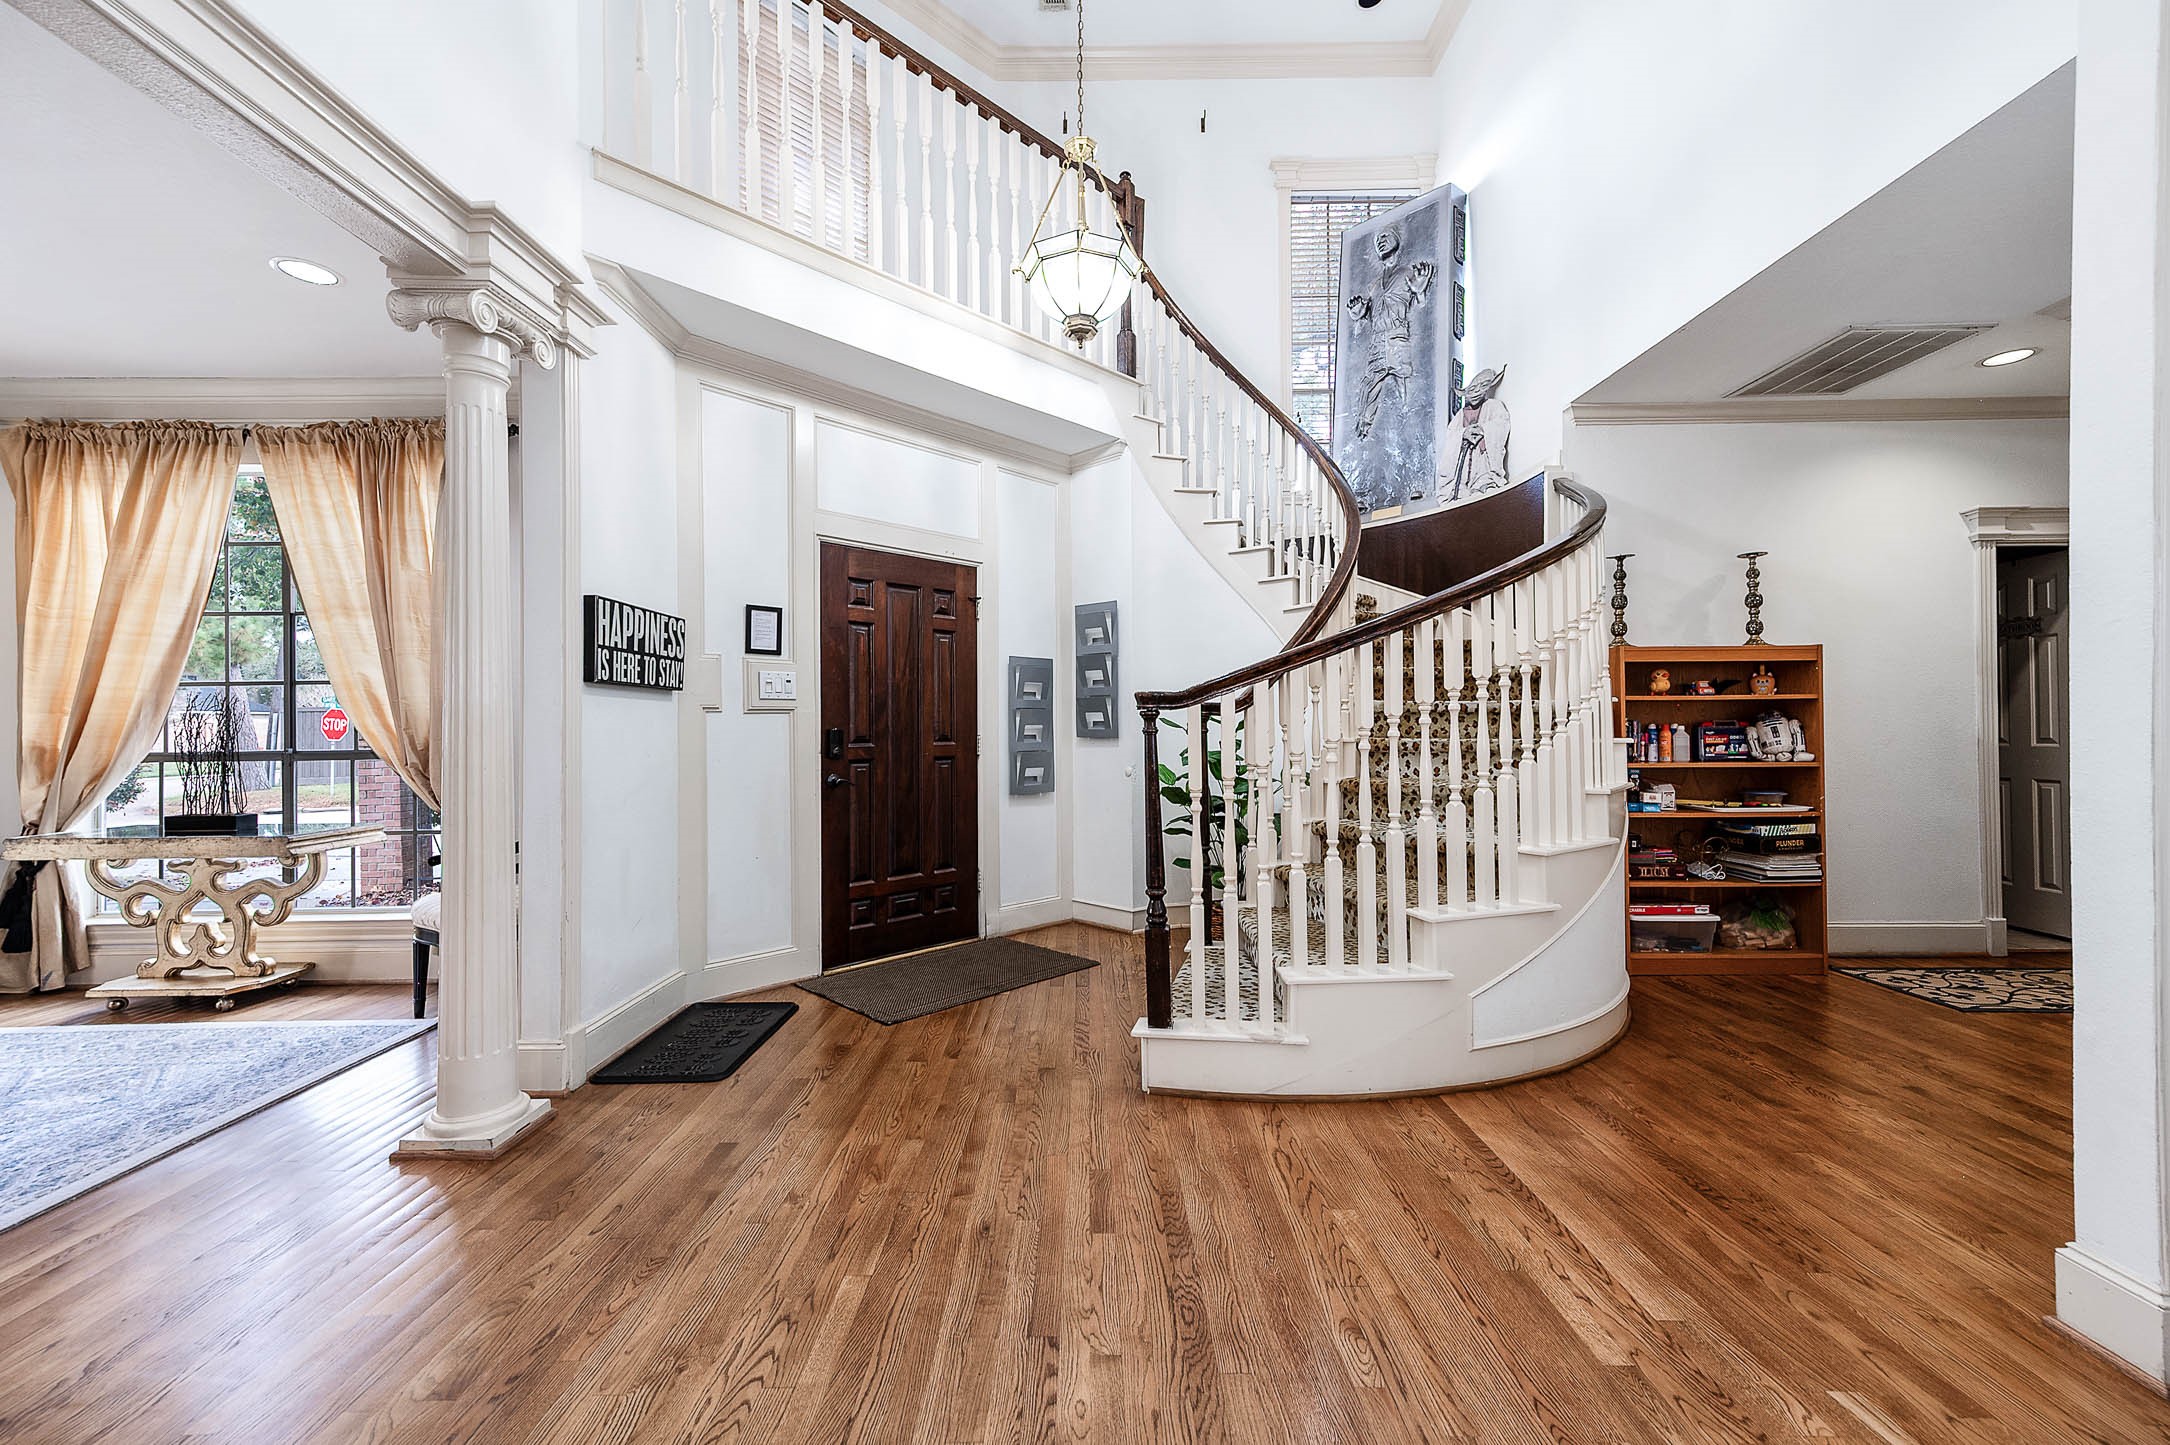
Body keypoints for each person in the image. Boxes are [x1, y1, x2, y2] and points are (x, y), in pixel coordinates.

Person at [1442, 365, 1511, 501]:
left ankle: (1484, 485)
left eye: (1483, 386)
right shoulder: (1461, 414)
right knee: (1460, 493)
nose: (1477, 392)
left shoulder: (1493, 405)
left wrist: (1483, 430)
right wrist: (1463, 434)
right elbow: (1451, 434)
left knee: (1484, 486)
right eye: (1473, 389)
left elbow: (1501, 423)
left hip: (1482, 458)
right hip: (1464, 462)